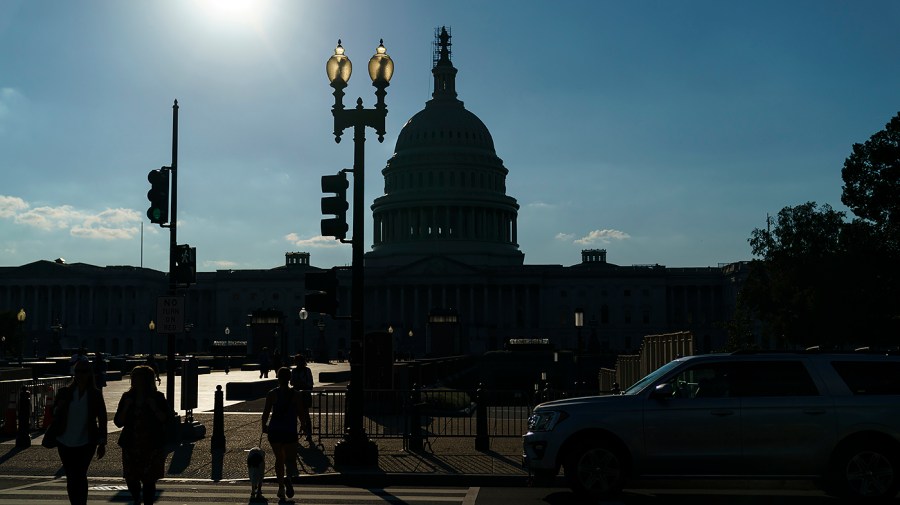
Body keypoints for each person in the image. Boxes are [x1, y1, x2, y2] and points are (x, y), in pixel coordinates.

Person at [52, 359, 107, 505]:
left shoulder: (95, 394)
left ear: (89, 374)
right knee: (71, 476)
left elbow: (102, 418)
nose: (80, 375)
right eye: (77, 371)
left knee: (80, 475)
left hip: (86, 441)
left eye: (83, 371)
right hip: (64, 440)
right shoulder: (65, 392)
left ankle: (81, 503)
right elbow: (54, 413)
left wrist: (102, 442)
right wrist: (59, 408)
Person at [114, 365, 169, 505]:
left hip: (152, 443)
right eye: (134, 378)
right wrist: (126, 407)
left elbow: (166, 419)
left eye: (139, 378)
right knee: (131, 477)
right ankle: (136, 498)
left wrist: (154, 407)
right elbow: (118, 422)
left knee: (149, 479)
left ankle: (147, 502)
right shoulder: (127, 397)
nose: (136, 381)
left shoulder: (157, 397)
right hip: (131, 442)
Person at [261, 367, 305, 500]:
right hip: (290, 430)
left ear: (278, 378)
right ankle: (289, 479)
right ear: (290, 378)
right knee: (290, 460)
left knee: (279, 459)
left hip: (275, 430)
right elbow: (301, 413)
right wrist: (303, 425)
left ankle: (280, 487)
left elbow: (266, 412)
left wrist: (264, 426)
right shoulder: (296, 395)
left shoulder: (272, 394)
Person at [290, 354, 314, 444]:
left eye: (297, 361)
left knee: (305, 414)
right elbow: (291, 382)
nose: (296, 363)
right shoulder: (294, 370)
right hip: (296, 395)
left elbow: (310, 384)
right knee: (295, 415)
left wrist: (301, 383)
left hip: (304, 394)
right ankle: (296, 433)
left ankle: (308, 433)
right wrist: (295, 382)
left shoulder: (307, 370)